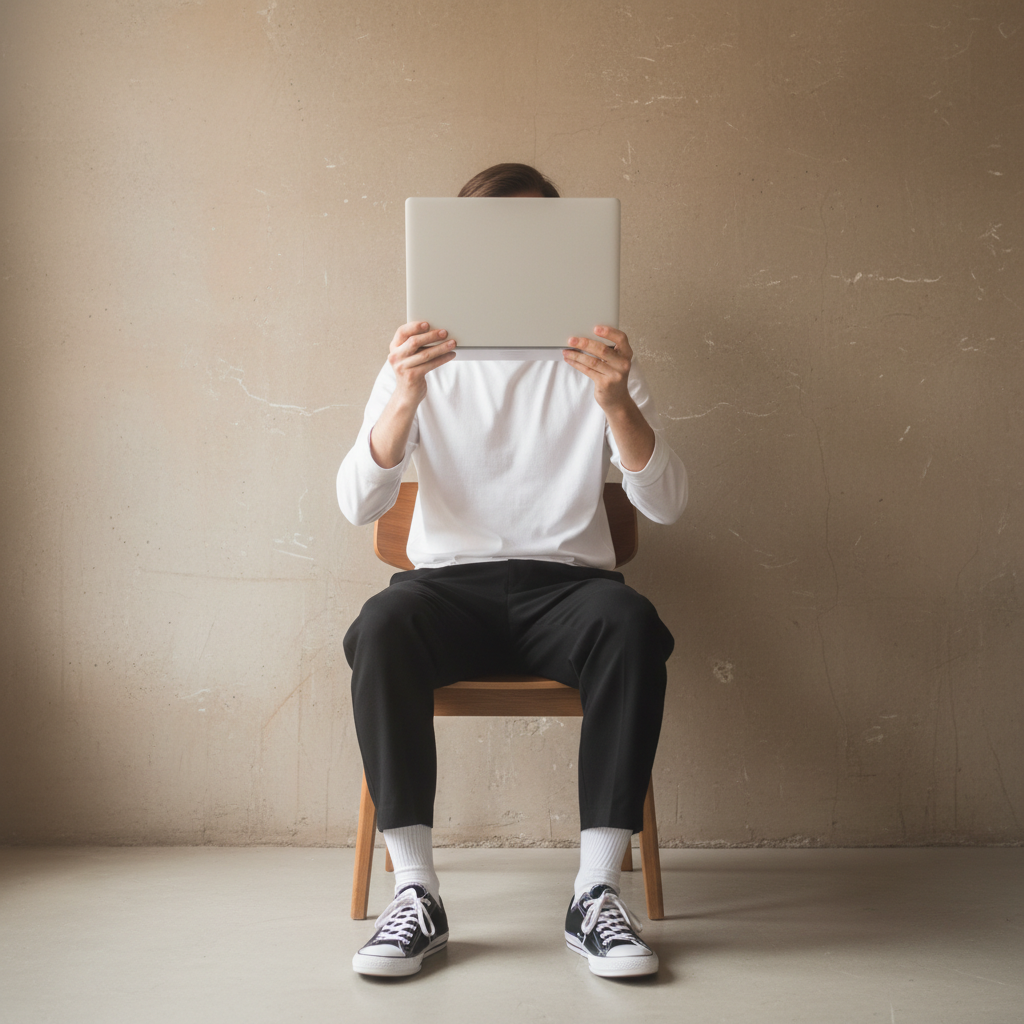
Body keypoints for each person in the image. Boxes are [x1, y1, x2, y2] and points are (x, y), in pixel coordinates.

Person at [337, 163, 687, 980]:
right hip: (446, 590)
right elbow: (357, 501)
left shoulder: (597, 361)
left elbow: (667, 503)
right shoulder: (417, 361)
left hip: (570, 593)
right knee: (381, 625)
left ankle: (595, 893)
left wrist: (617, 402)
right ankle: (415, 893)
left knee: (632, 623)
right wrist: (405, 397)